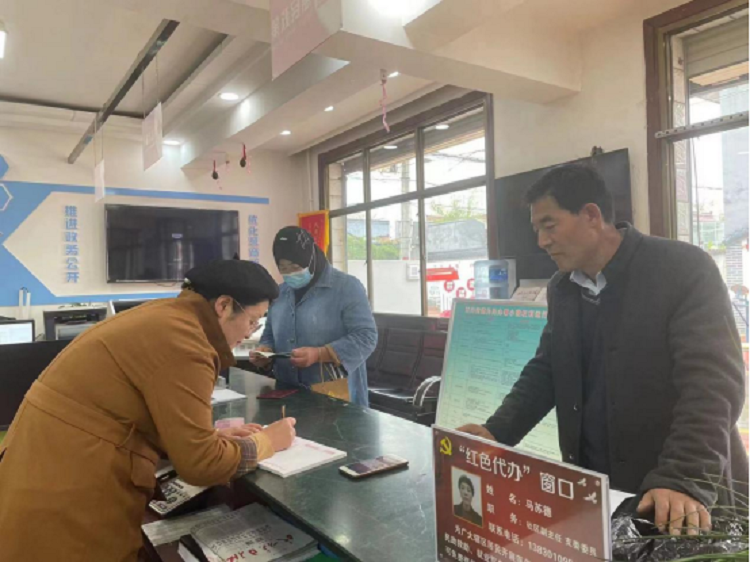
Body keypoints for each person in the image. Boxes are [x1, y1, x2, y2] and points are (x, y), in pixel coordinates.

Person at [458, 164, 748, 536]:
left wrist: (682, 477)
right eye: (537, 230)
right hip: (599, 490)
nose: (542, 241)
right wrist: (497, 431)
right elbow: (547, 370)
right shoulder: (563, 288)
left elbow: (713, 386)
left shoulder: (682, 268)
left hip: (678, 498)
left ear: (591, 216)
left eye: (550, 225)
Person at [0, 260, 297, 562]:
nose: (249, 333)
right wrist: (266, 442)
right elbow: (201, 464)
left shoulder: (167, 317)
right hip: (69, 491)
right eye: (252, 321)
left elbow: (133, 410)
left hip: (47, 465)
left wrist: (212, 437)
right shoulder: (186, 341)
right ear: (223, 305)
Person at [251, 226, 377, 407]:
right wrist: (265, 351)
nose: (290, 274)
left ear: (311, 259)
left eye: (295, 267)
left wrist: (320, 354)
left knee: (335, 425)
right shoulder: (280, 293)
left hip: (335, 398)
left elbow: (366, 337)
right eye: (283, 268)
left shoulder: (346, 287)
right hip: (288, 393)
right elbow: (270, 333)